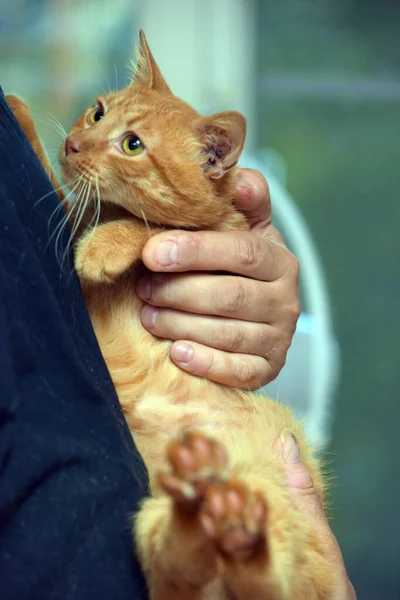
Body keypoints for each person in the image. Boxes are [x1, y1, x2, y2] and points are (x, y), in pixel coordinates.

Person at [0, 89, 354, 599]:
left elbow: (56, 291)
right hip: (169, 482)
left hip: (227, 460)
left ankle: (234, 554)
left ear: (213, 159)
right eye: (98, 113)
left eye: (130, 141)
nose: (82, 138)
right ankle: (227, 554)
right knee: (170, 522)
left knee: (216, 508)